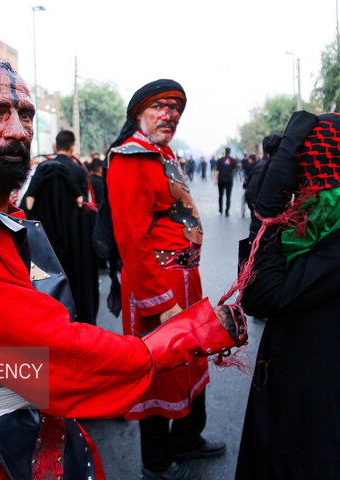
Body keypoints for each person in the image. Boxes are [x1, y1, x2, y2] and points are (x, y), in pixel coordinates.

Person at [0, 61, 246, 480]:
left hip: (26, 429)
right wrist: (186, 335)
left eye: (25, 115)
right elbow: (54, 354)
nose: (18, 130)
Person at [236, 111, 340, 480]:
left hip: (331, 430)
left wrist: (269, 210)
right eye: (300, 189)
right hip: (286, 412)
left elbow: (262, 295)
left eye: (314, 188)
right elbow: (255, 287)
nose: (305, 200)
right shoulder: (312, 231)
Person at [107, 79, 226, 480]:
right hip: (157, 286)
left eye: (175, 108)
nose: (169, 115)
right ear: (138, 113)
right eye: (160, 106)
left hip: (184, 281)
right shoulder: (131, 158)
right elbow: (130, 238)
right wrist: (161, 301)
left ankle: (187, 439)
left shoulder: (162, 153)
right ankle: (156, 461)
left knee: (192, 359)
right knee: (159, 371)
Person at [22, 130, 100, 325]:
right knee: (77, 286)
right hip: (76, 240)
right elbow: (84, 205)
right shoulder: (79, 170)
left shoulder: (42, 168)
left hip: (46, 241)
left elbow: (29, 204)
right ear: (72, 146)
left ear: (55, 147)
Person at [215, 147, 237, 216]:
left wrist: (215, 180)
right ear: (230, 152)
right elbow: (235, 168)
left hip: (221, 180)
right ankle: (227, 212)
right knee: (228, 196)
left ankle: (220, 210)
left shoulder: (220, 160)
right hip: (229, 180)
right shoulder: (232, 160)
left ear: (224, 152)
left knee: (220, 196)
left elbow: (217, 170)